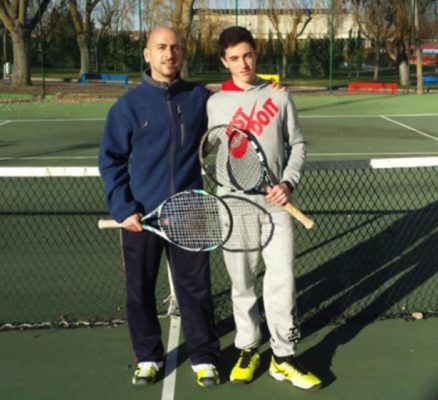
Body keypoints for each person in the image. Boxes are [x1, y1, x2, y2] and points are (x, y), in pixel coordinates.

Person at [98, 26, 220, 388]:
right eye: (161, 47)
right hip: (141, 217)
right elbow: (111, 161)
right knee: (139, 289)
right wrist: (123, 208)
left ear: (183, 55)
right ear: (148, 55)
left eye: (176, 48)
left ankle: (204, 357)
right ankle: (148, 356)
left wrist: (266, 87)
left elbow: (235, 111)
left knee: (196, 288)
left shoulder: (201, 98)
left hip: (189, 212)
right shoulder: (127, 107)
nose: (170, 54)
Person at [206, 26, 322, 390]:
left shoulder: (279, 97)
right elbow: (209, 149)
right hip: (234, 206)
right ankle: (248, 347)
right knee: (242, 283)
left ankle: (283, 356)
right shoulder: (214, 104)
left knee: (282, 280)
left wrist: (288, 182)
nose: (243, 64)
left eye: (248, 55)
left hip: (277, 207)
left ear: (257, 54)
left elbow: (298, 145)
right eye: (235, 58)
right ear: (224, 61)